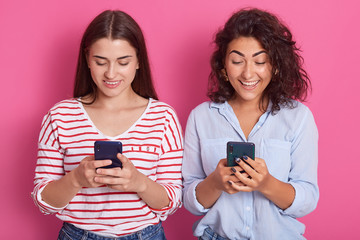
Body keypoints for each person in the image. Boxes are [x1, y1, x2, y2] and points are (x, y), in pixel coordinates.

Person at [32, 10, 183, 240]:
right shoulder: (59, 116)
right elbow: (44, 202)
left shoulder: (163, 117)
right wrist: (76, 179)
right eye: (100, 62)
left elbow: (171, 202)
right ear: (87, 59)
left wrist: (139, 183)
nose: (111, 73)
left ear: (139, 60)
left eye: (123, 62)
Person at [182, 8, 319, 240]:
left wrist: (266, 184)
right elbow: (190, 200)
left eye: (260, 61)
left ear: (275, 66)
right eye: (237, 61)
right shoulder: (201, 117)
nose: (248, 73)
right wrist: (215, 183)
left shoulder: (299, 117)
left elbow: (308, 198)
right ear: (224, 66)